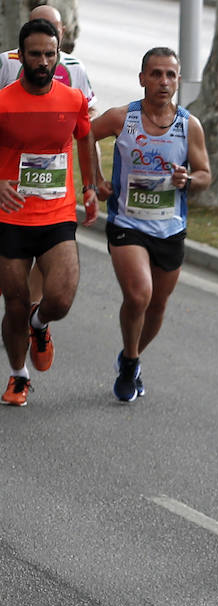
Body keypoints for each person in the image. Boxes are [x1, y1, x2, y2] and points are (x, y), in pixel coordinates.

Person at [92, 47, 211, 402]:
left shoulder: (188, 125)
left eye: (170, 75)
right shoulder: (122, 118)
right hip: (127, 222)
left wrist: (187, 180)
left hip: (170, 227)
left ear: (177, 81)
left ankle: (131, 357)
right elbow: (83, 134)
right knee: (138, 294)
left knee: (157, 305)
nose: (163, 81)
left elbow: (205, 174)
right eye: (156, 74)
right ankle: (130, 360)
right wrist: (94, 180)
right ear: (142, 78)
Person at [0, 18, 98, 407]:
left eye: (50, 54)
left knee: (60, 298)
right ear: (20, 55)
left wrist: (90, 187)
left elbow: (86, 136)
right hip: (11, 217)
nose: (43, 62)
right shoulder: (4, 102)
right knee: (15, 301)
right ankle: (19, 375)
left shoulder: (72, 99)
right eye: (35, 54)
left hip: (57, 214)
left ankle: (40, 326)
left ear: (59, 56)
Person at [0, 4, 97, 111]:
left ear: (62, 31)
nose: (43, 62)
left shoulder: (75, 66)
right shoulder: (6, 61)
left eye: (52, 30)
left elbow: (89, 111)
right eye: (35, 54)